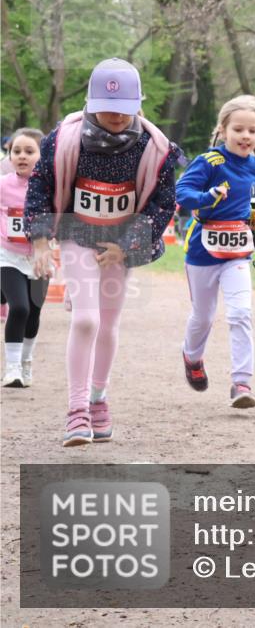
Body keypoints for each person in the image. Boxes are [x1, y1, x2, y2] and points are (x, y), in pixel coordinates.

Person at [25, 58, 180, 446]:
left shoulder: (154, 147)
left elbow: (164, 203)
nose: (114, 115)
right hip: (78, 233)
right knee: (87, 321)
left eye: (124, 109)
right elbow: (41, 186)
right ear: (92, 103)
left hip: (119, 244)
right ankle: (76, 410)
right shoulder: (65, 139)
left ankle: (98, 399)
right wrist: (41, 239)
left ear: (138, 106)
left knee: (108, 324)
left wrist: (128, 245)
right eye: (107, 107)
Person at [177, 95, 255, 409]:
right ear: (223, 129)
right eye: (239, 129)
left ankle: (241, 382)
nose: (246, 136)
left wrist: (249, 218)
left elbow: (242, 201)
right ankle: (192, 357)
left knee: (241, 312)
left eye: (252, 131)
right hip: (203, 250)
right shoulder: (209, 162)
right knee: (203, 317)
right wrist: (209, 196)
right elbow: (183, 194)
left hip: (238, 252)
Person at [2, 128, 48, 387]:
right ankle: (11, 369)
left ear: (41, 156)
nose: (21, 156)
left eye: (29, 151)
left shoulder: (50, 188)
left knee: (34, 313)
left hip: (39, 259)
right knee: (19, 307)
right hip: (7, 256)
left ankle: (26, 361)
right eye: (15, 151)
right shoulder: (2, 184)